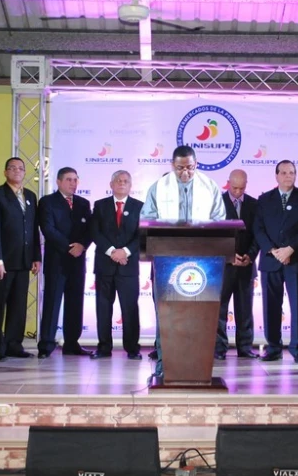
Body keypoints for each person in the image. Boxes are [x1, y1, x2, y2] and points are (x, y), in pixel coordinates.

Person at [141, 145, 226, 377]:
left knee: (199, 316)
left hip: (203, 265)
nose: (185, 172)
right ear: (172, 165)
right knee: (166, 315)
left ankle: (197, 367)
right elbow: (146, 219)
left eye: (189, 167)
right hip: (166, 262)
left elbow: (220, 220)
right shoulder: (159, 187)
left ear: (196, 164)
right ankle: (164, 365)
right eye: (180, 168)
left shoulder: (209, 186)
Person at [254, 160, 298, 364]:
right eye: (284, 172)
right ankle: (273, 348)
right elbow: (258, 229)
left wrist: (290, 249)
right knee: (271, 306)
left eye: (292, 172)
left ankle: (297, 349)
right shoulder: (264, 199)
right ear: (276, 175)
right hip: (271, 261)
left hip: (296, 260)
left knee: (297, 306)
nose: (288, 176)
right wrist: (273, 251)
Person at [0, 157, 42, 361]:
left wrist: (36, 256)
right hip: (4, 261)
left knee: (19, 304)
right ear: (5, 172)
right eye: (12, 168)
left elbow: (34, 228)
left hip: (24, 259)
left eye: (20, 168)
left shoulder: (30, 196)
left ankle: (13, 344)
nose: (17, 171)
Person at [37, 167, 93, 358]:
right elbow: (48, 229)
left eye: (76, 179)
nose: (73, 183)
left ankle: (71, 343)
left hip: (78, 262)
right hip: (57, 261)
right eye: (69, 179)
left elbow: (90, 230)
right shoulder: (47, 202)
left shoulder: (83, 203)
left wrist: (82, 245)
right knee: (52, 303)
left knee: (75, 303)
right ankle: (46, 345)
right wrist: (70, 247)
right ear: (58, 182)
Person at [90, 170, 143, 360]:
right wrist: (113, 251)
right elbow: (95, 232)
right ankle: (104, 348)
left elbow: (141, 236)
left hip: (128, 267)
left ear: (130, 186)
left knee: (130, 308)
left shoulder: (140, 207)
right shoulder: (100, 205)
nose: (122, 183)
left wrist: (125, 252)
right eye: (118, 181)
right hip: (105, 265)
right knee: (103, 308)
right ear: (111, 184)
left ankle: (132, 348)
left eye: (125, 181)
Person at [215, 169, 260, 360]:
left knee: (245, 308)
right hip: (223, 266)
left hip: (246, 265)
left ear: (246, 184)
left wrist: (249, 256)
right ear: (227, 183)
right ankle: (218, 348)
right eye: (234, 187)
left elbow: (258, 234)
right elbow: (213, 235)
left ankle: (245, 347)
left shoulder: (254, 205)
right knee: (219, 309)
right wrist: (229, 255)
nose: (237, 191)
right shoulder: (217, 204)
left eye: (241, 188)